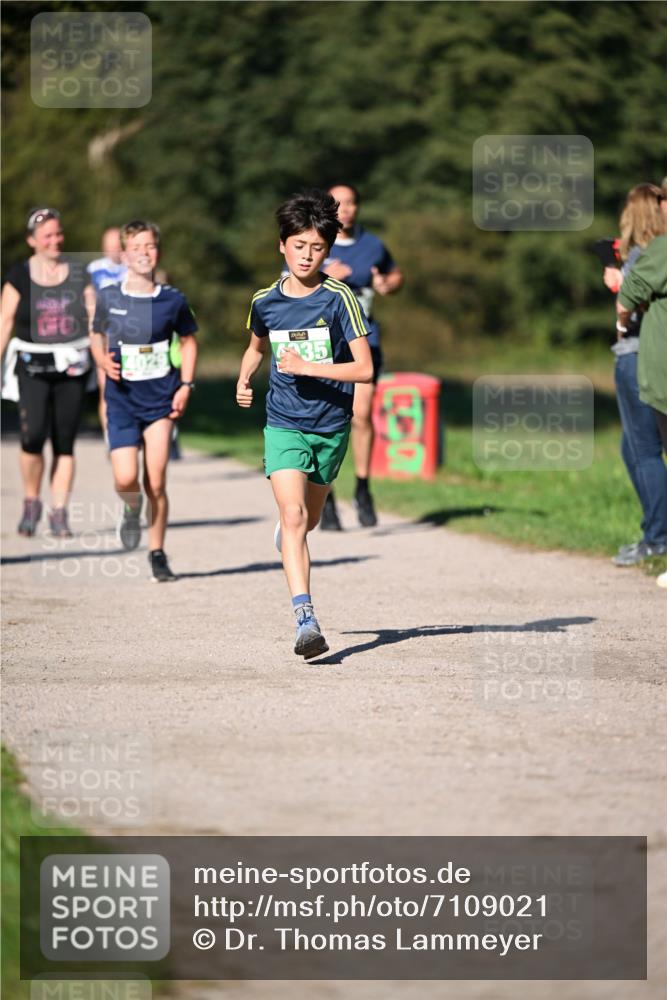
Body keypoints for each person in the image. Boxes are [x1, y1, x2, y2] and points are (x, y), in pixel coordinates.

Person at [236, 189, 372, 658]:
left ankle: (293, 530)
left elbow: (365, 369)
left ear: (327, 250)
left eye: (316, 248)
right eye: (298, 246)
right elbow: (256, 346)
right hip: (284, 422)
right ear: (282, 245)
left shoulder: (339, 298)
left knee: (308, 518)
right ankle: (305, 620)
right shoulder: (265, 301)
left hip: (331, 424)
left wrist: (310, 367)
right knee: (293, 516)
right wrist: (244, 378)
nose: (307, 255)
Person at [90, 220, 198, 582]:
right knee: (126, 478)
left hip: (160, 401)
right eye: (136, 247)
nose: (143, 253)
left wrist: (186, 386)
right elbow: (96, 335)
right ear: (124, 255)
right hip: (121, 400)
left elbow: (188, 341)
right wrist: (101, 359)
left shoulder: (173, 299)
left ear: (158, 252)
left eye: (149, 246)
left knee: (157, 480)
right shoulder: (109, 296)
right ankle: (131, 509)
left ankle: (157, 552)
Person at [1, 207, 94, 537]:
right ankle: (31, 501)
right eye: (47, 236)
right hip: (32, 365)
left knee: (65, 442)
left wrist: (106, 359)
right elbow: (4, 323)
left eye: (58, 234)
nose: (56, 241)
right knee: (33, 436)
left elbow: (95, 320)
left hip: (72, 366)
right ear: (32, 241)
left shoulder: (79, 274)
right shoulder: (18, 276)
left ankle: (59, 511)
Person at [318, 183, 403, 530]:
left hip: (366, 342)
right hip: (323, 346)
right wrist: (324, 275)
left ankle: (363, 488)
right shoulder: (315, 241)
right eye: (338, 204)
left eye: (351, 203)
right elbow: (290, 281)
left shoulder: (372, 245)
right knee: (328, 420)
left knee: (362, 415)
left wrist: (388, 284)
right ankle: (325, 496)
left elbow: (394, 273)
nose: (346, 209)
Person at [601, 184, 667, 567]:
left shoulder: (650, 252)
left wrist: (619, 292)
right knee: (634, 449)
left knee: (644, 449)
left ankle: (658, 537)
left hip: (638, 353)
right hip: (639, 353)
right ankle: (654, 529)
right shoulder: (651, 251)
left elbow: (629, 303)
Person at [87, 227, 128, 438]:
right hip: (105, 335)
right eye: (109, 247)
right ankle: (109, 436)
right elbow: (88, 301)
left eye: (117, 246)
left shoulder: (133, 267)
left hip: (130, 335)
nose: (114, 251)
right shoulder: (94, 269)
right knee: (106, 387)